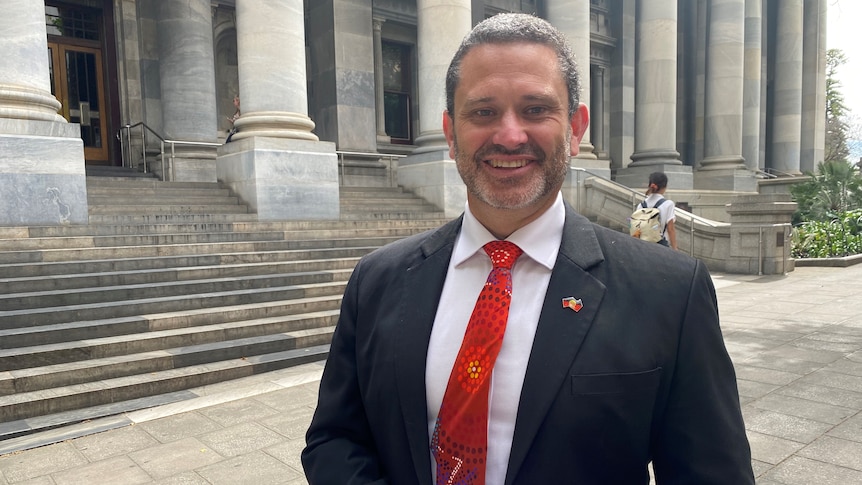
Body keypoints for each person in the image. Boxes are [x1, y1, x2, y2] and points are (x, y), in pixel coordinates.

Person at [302, 13, 753, 485]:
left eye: (536, 109)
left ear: (576, 129)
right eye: (483, 112)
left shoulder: (670, 293)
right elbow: (335, 438)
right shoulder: (378, 280)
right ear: (451, 133)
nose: (510, 135)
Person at [640, 171, 678, 249]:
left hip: (643, 246)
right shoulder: (668, 204)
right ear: (664, 187)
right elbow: (670, 229)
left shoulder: (641, 205)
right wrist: (675, 248)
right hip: (661, 247)